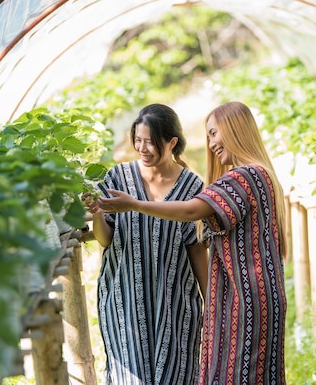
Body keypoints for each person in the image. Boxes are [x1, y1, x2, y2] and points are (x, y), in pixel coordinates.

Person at [96, 101, 288, 385]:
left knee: (235, 375)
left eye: (214, 133)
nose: (210, 143)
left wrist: (134, 204)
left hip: (243, 293)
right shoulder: (261, 175)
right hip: (256, 291)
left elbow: (190, 211)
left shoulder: (243, 176)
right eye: (208, 135)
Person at [84, 103, 208, 385]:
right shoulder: (117, 178)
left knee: (176, 375)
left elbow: (197, 249)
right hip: (124, 299)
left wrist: (211, 302)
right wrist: (97, 214)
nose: (142, 148)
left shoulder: (191, 187)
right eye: (137, 140)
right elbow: (106, 240)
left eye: (150, 142)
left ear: (172, 142)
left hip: (176, 304)